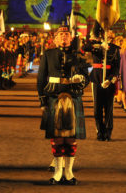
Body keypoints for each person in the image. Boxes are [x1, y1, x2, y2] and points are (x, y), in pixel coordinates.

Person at [37, 26, 89, 185]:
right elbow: (41, 79)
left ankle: (69, 171)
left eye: (67, 35)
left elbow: (86, 78)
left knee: (71, 138)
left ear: (71, 38)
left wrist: (80, 81)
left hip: (73, 98)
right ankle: (58, 171)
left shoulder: (79, 57)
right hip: (53, 96)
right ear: (55, 38)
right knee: (57, 137)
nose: (64, 37)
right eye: (61, 35)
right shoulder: (48, 54)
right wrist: (42, 100)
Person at [82, 23, 120, 141]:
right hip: (96, 79)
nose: (109, 33)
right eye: (106, 32)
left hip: (108, 79)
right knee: (97, 107)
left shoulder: (114, 49)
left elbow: (116, 67)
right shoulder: (96, 45)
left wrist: (110, 80)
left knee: (108, 107)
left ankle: (108, 131)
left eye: (110, 32)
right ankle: (100, 131)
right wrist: (97, 43)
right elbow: (85, 48)